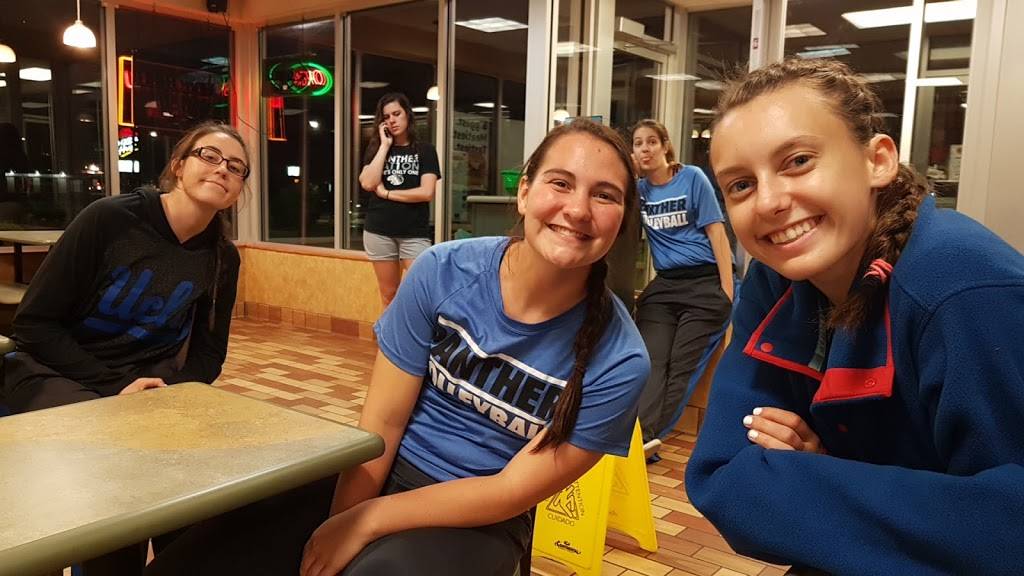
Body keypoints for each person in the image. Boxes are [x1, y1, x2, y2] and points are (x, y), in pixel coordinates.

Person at [143, 118, 650, 576]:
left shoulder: (620, 360)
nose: (577, 209)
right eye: (560, 183)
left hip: (480, 518)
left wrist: (366, 522)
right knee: (198, 557)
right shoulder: (442, 272)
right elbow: (383, 423)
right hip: (381, 469)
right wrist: (341, 522)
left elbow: (510, 490)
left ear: (623, 220)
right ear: (524, 193)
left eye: (605, 195)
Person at [685, 58, 1024, 575]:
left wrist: (828, 470)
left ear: (877, 160)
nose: (769, 202)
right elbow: (722, 475)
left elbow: (1008, 527)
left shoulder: (961, 284)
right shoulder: (775, 278)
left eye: (798, 161)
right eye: (740, 185)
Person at [1, 121, 246, 575]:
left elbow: (209, 355)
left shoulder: (221, 257)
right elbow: (33, 325)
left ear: (238, 190)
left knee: (197, 489)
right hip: (51, 371)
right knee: (118, 473)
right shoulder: (110, 220)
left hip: (144, 387)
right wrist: (117, 387)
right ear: (178, 166)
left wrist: (172, 394)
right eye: (209, 156)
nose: (222, 169)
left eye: (235, 167)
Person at [630, 119, 733, 455]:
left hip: (705, 282)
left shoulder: (692, 178)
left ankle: (649, 438)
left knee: (681, 366)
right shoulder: (640, 191)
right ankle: (639, 437)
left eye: (651, 142)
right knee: (651, 361)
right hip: (665, 285)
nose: (645, 149)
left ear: (665, 145)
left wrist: (727, 291)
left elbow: (717, 233)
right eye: (638, 144)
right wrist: (629, 172)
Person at [359, 92, 441, 307]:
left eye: (397, 114)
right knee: (389, 294)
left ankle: (416, 330)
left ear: (407, 115)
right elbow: (367, 183)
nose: (392, 120)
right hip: (379, 231)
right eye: (386, 117)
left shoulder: (425, 150)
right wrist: (384, 146)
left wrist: (387, 193)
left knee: (421, 292)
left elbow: (426, 192)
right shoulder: (376, 149)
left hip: (414, 233)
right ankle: (390, 331)